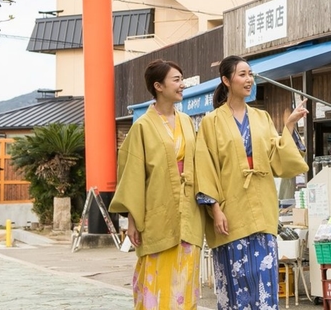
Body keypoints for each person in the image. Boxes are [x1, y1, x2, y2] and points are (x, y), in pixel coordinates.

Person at [195, 55, 309, 310]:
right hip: (231, 212)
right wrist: (215, 210)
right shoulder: (210, 123)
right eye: (242, 74)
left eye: (251, 74)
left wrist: (289, 125)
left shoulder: (261, 117)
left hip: (262, 209)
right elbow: (205, 167)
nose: (249, 80)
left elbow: (277, 160)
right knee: (236, 285)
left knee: (264, 285)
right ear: (226, 80)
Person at [109, 59, 204, 310]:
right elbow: (132, 175)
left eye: (182, 79)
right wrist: (132, 221)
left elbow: (198, 163)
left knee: (184, 278)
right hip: (157, 212)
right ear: (158, 86)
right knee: (157, 277)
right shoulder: (142, 126)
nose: (182, 85)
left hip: (188, 212)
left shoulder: (186, 121)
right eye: (176, 80)